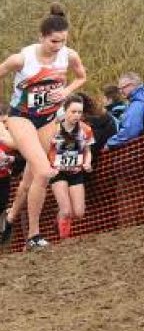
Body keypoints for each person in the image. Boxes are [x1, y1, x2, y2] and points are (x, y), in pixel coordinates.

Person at [0, 4, 86, 250]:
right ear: (42, 37)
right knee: (45, 172)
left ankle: (9, 218)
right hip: (21, 117)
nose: (58, 47)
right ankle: (34, 236)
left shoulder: (69, 56)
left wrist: (66, 92)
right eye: (53, 42)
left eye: (63, 41)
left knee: (31, 178)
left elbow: (81, 77)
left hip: (48, 118)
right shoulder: (21, 59)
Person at [48, 95, 94, 239]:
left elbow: (88, 151)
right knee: (66, 211)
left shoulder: (85, 130)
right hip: (57, 172)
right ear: (65, 111)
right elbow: (42, 150)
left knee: (79, 213)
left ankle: (59, 220)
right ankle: (64, 241)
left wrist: (87, 163)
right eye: (73, 112)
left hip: (76, 172)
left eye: (79, 112)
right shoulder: (53, 129)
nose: (76, 115)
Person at [105, 73, 144, 150]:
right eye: (119, 89)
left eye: (123, 88)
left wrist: (110, 143)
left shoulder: (137, 104)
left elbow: (130, 131)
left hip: (143, 148)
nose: (120, 91)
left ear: (132, 85)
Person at [0, 103, 17, 243]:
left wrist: (11, 159)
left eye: (5, 121)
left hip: (5, 177)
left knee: (3, 205)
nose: (3, 125)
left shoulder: (13, 134)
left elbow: (22, 155)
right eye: (1, 122)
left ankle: (4, 235)